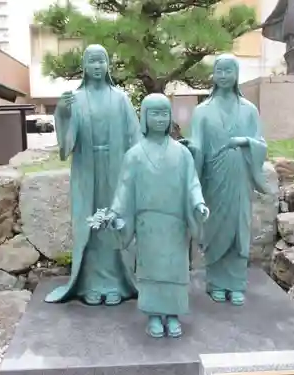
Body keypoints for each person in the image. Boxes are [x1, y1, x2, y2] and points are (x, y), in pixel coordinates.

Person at [97, 93, 209, 338]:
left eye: (164, 113)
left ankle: (173, 313)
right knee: (150, 270)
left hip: (175, 223)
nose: (160, 118)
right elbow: (124, 189)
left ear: (171, 117)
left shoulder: (182, 153)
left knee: (175, 269)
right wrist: (116, 214)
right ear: (144, 118)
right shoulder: (134, 155)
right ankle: (155, 315)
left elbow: (192, 184)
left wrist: (198, 204)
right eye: (154, 113)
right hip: (147, 223)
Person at [44, 44, 140, 306]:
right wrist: (62, 112)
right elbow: (66, 145)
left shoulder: (120, 99)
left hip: (116, 169)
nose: (97, 66)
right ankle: (90, 283)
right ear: (84, 67)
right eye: (92, 61)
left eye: (102, 61)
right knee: (89, 224)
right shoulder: (76, 99)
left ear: (108, 65)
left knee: (113, 222)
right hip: (86, 169)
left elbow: (135, 137)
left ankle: (117, 284)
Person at [185, 54, 268, 306]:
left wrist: (245, 142)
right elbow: (197, 143)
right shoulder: (202, 111)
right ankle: (217, 283)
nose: (222, 76)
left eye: (228, 71)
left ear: (236, 75)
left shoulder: (249, 110)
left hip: (240, 175)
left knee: (238, 230)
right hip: (214, 177)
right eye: (219, 71)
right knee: (216, 229)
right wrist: (190, 151)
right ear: (213, 75)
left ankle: (236, 283)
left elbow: (260, 144)